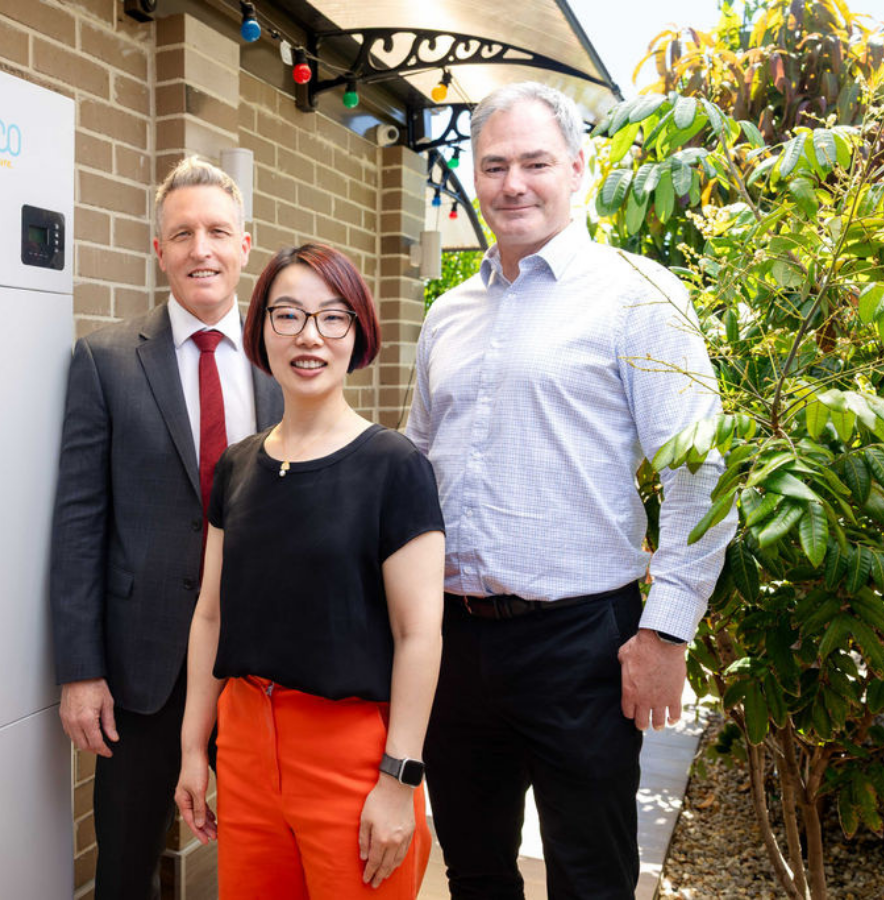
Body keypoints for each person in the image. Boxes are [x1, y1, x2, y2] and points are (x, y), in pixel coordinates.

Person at [407, 82, 737, 899]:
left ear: (579, 168)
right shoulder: (448, 312)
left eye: (535, 162)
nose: (513, 183)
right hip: (455, 643)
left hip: (582, 646)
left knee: (590, 876)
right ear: (472, 179)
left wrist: (666, 633)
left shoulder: (638, 294)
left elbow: (704, 474)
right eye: (494, 166)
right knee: (476, 870)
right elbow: (417, 466)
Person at [174, 244, 445, 899]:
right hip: (243, 747)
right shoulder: (236, 468)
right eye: (288, 315)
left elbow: (420, 635)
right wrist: (192, 747)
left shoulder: (394, 465)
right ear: (261, 330)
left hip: (351, 758)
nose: (309, 337)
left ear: (358, 332)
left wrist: (398, 778)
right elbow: (210, 613)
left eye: (332, 318)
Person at [49, 156, 284, 900]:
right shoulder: (106, 361)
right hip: (141, 670)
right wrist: (80, 671)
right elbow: (79, 524)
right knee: (124, 866)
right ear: (159, 251)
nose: (200, 249)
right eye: (182, 233)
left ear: (246, 245)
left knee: (263, 854)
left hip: (259, 663)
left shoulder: (288, 358)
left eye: (217, 230)